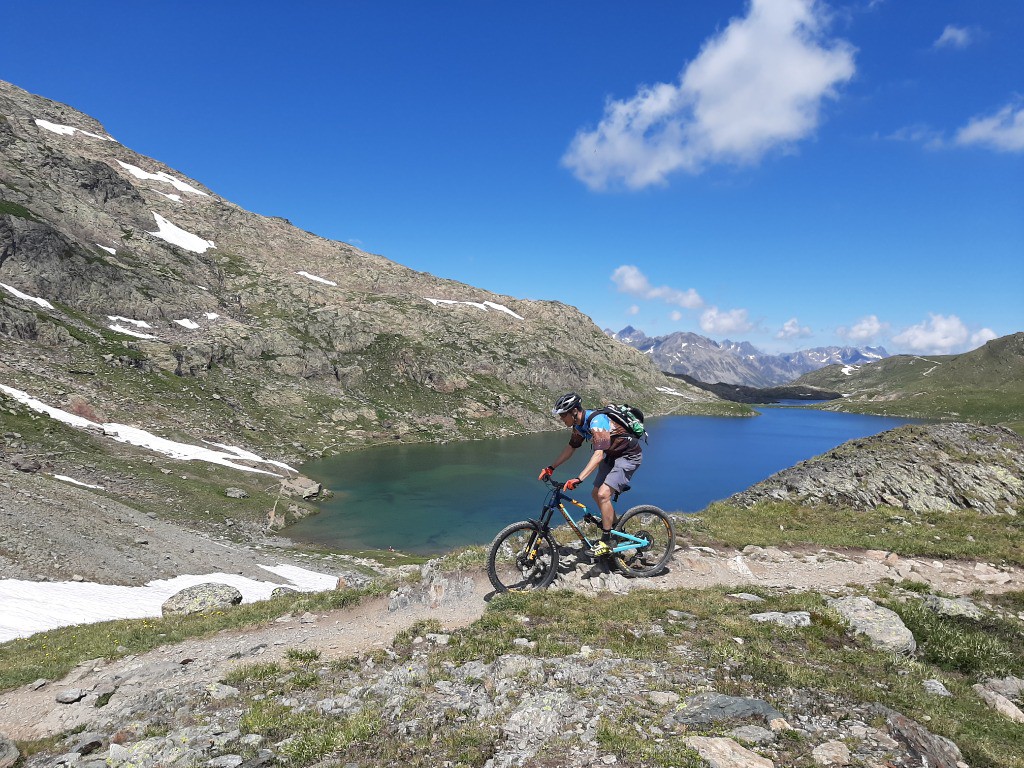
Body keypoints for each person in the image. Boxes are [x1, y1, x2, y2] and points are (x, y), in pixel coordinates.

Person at [538, 392, 642, 557]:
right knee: (595, 493)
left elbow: (598, 455)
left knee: (603, 494)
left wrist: (579, 479)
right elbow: (571, 447)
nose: (561, 419)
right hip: (613, 456)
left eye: (563, 415)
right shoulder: (579, 426)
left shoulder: (597, 421)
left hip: (628, 456)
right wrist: (551, 467)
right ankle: (616, 530)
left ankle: (607, 541)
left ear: (574, 412)